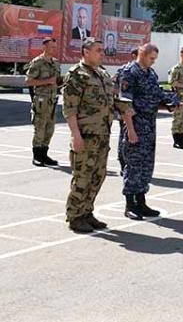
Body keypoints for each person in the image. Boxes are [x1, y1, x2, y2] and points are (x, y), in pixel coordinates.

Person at [62, 38, 133, 233]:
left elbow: (110, 101)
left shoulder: (102, 73)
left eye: (102, 50)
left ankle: (87, 212)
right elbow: (70, 109)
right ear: (85, 51)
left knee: (98, 176)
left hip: (102, 134)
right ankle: (75, 216)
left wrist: (124, 107)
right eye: (98, 50)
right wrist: (75, 135)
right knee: (82, 177)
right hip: (85, 135)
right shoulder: (76, 75)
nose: (102, 53)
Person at [118, 44, 176, 220]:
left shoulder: (150, 74)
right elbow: (124, 103)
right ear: (141, 55)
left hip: (149, 125)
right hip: (135, 124)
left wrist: (169, 103)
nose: (153, 61)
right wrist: (130, 130)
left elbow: (156, 97)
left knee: (146, 165)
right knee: (133, 165)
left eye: (155, 58)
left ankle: (141, 202)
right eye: (151, 58)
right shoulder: (130, 72)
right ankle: (130, 205)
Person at [24, 37, 61, 166]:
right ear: (44, 47)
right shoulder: (37, 62)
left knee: (50, 129)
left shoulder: (55, 63)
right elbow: (28, 81)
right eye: (51, 47)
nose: (54, 49)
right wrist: (47, 81)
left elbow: (57, 81)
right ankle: (36, 155)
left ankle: (44, 154)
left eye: (55, 47)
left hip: (52, 100)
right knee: (40, 128)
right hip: (41, 100)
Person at [113, 48, 139, 171]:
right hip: (125, 110)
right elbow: (115, 87)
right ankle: (123, 163)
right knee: (124, 137)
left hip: (137, 112)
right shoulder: (126, 70)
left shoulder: (142, 70)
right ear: (134, 56)